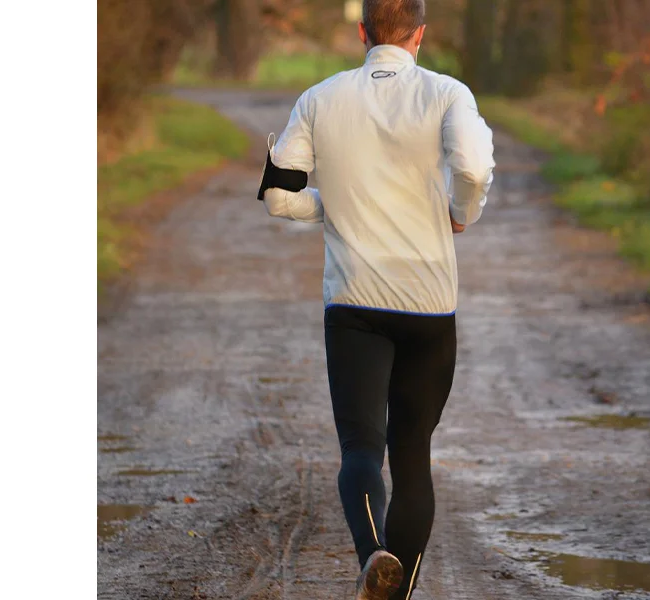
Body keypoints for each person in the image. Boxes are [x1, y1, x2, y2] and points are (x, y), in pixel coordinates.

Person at [258, 1, 495, 597]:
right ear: (420, 33)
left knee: (361, 447)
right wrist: (460, 212)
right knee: (411, 454)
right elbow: (472, 166)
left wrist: (337, 205)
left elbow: (281, 197)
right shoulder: (447, 93)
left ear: (362, 32)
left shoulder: (319, 97)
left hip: (354, 303)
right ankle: (396, 592)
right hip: (428, 301)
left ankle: (373, 557)